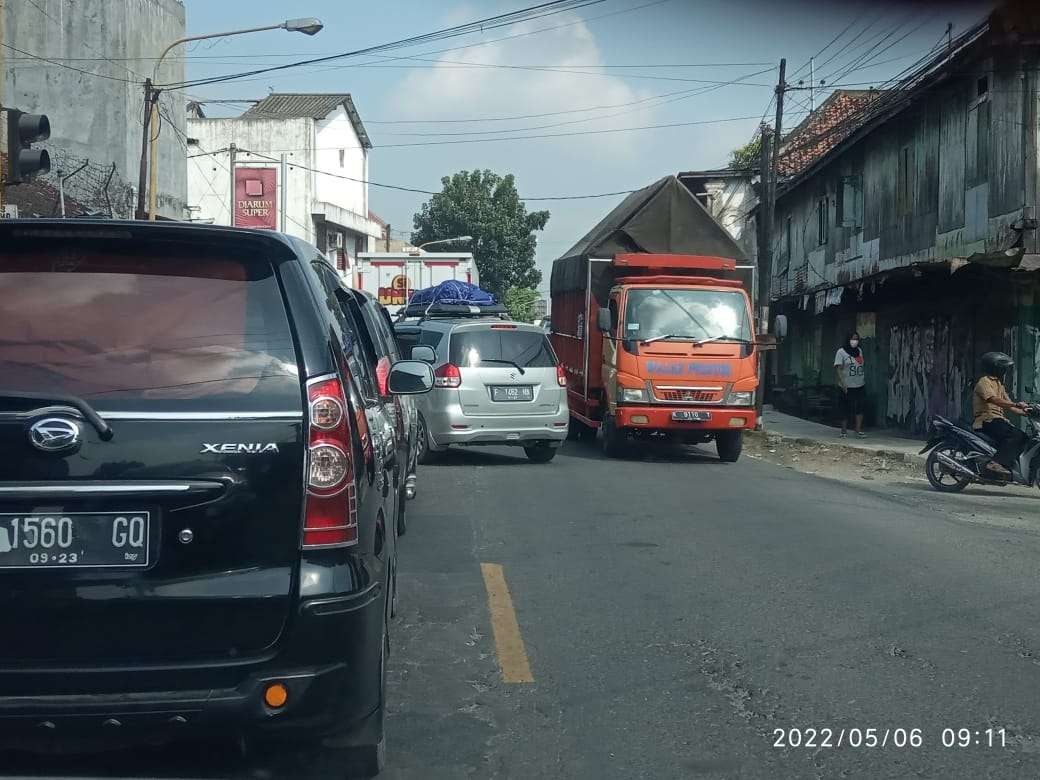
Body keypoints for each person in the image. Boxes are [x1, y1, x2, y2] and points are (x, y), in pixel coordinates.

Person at [973, 351, 1030, 477]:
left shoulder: (999, 385)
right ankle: (995, 463)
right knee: (1016, 435)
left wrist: (1027, 412)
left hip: (998, 420)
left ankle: (1007, 465)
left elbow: (1011, 406)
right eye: (1004, 368)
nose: (1005, 371)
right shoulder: (984, 381)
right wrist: (1015, 404)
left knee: (1024, 438)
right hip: (987, 420)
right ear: (995, 368)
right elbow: (993, 399)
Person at [834, 332, 866, 438]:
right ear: (848, 339)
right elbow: (838, 368)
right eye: (853, 339)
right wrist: (843, 383)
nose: (855, 341)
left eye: (856, 339)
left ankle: (858, 429)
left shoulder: (859, 351)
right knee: (845, 408)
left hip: (860, 384)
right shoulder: (841, 352)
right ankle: (843, 431)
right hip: (846, 385)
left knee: (860, 407)